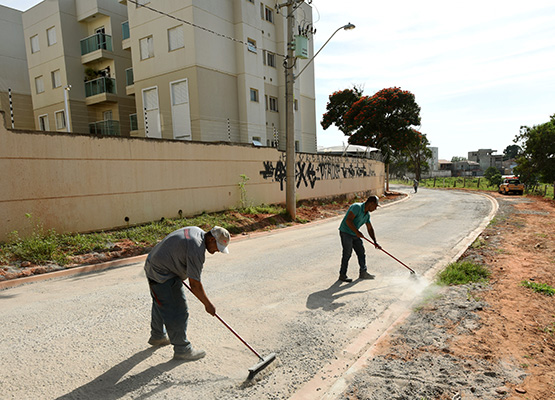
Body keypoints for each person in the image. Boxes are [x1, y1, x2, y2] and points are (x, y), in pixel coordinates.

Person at [144, 225, 230, 361]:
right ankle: (182, 350)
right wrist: (208, 305)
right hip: (162, 273)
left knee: (161, 299)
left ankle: (158, 336)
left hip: (153, 263)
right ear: (212, 240)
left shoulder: (197, 231)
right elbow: (195, 285)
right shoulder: (196, 250)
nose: (217, 251)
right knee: (178, 310)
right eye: (217, 247)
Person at [338, 195, 381, 282]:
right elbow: (348, 221)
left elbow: (370, 228)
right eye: (375, 206)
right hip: (346, 232)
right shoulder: (356, 207)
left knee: (361, 252)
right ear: (371, 203)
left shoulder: (367, 215)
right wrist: (357, 232)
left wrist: (375, 242)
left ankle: (363, 272)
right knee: (347, 253)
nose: (375, 208)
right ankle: (342, 275)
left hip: (354, 233)